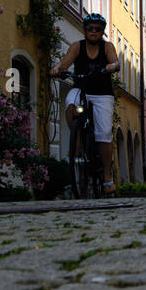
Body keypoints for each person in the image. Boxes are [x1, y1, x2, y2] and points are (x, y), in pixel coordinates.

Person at [50, 13, 120, 195]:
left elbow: (115, 61)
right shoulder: (76, 47)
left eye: (98, 29)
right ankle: (78, 142)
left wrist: (112, 66)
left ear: (102, 32)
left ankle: (106, 178)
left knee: (104, 133)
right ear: (85, 30)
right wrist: (57, 69)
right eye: (90, 28)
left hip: (102, 94)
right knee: (70, 102)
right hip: (81, 89)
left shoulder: (107, 47)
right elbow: (64, 63)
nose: (94, 32)